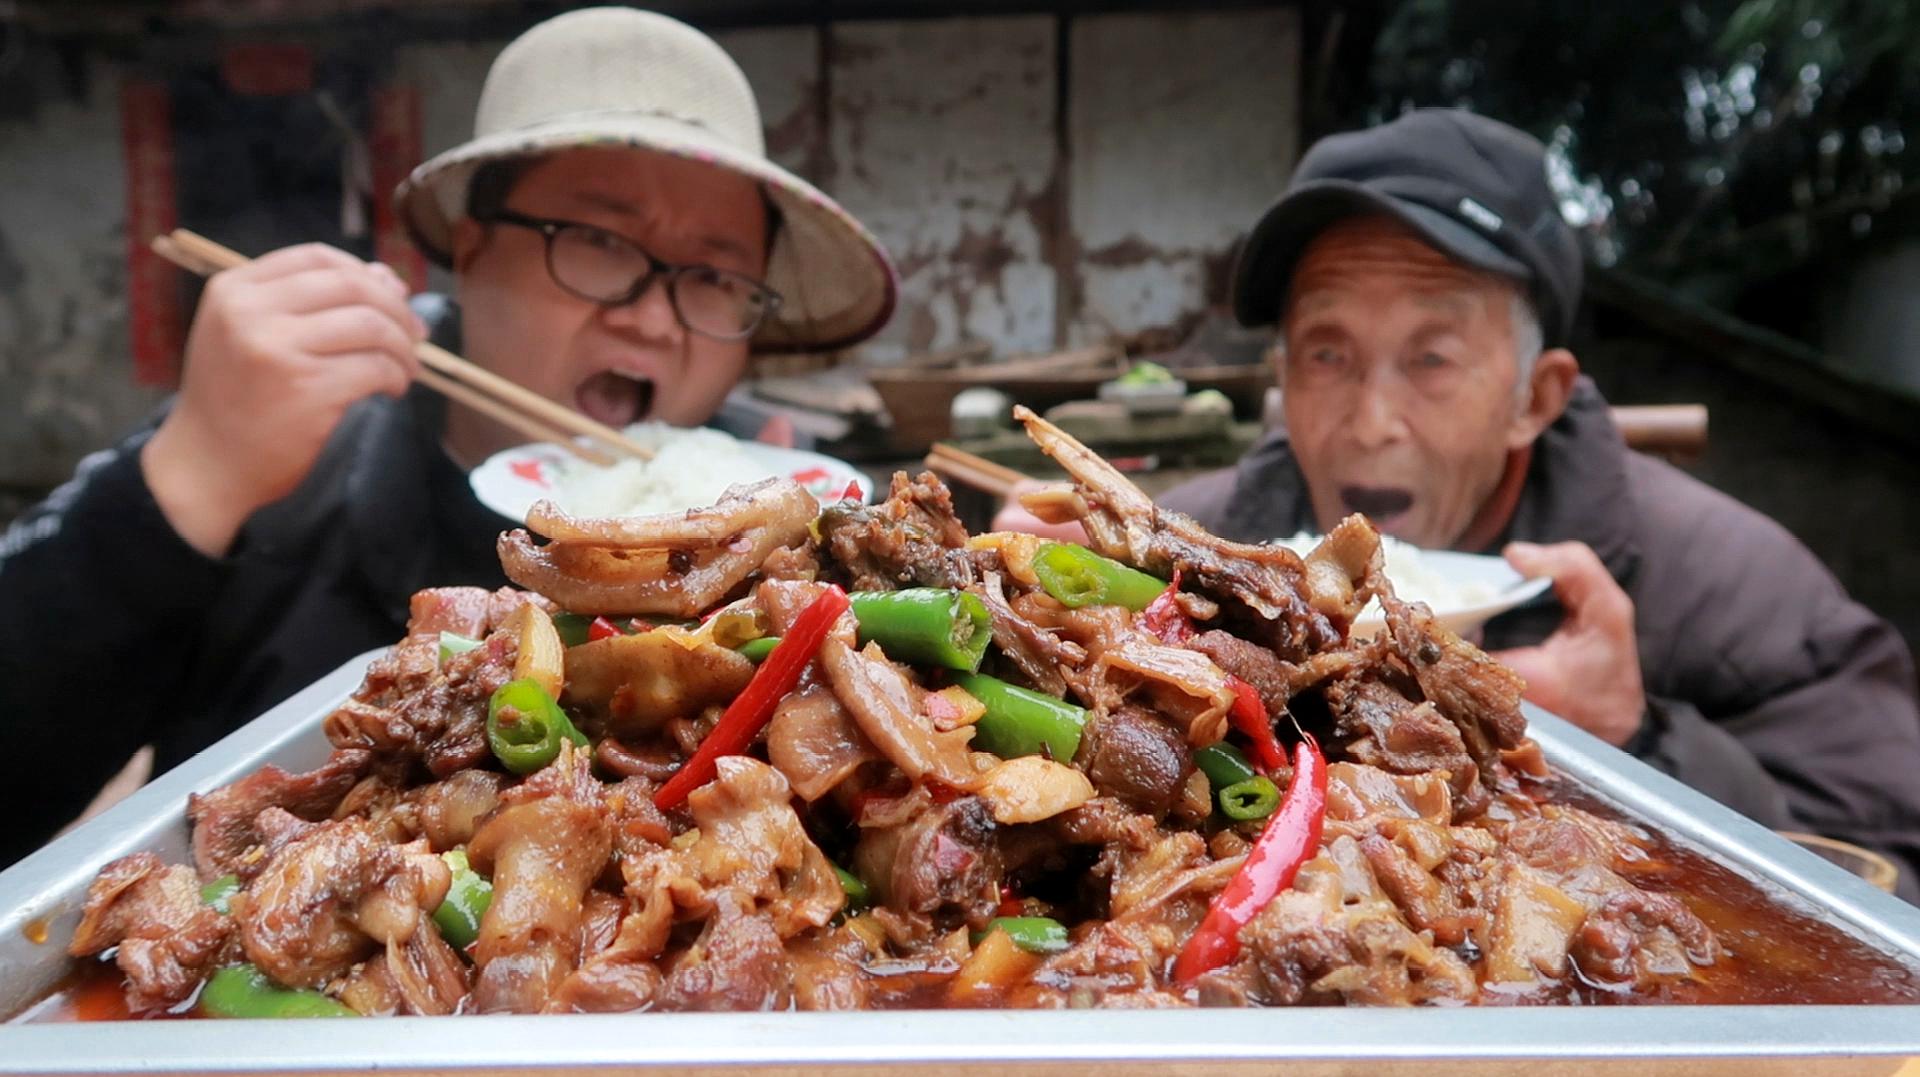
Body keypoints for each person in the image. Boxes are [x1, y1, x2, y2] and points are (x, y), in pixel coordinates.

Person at [0, 7, 896, 866]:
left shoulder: (776, 493)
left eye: (713, 275)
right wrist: (191, 477)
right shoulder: (277, 436)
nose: (658, 318)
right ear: (471, 250)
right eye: (596, 239)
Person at [1000, 108, 1920, 900]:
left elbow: (1888, 868)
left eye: (1432, 359)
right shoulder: (1198, 536)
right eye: (1328, 353)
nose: (1369, 422)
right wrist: (1027, 602)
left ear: (1538, 397)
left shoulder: (1717, 568)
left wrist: (1640, 736)